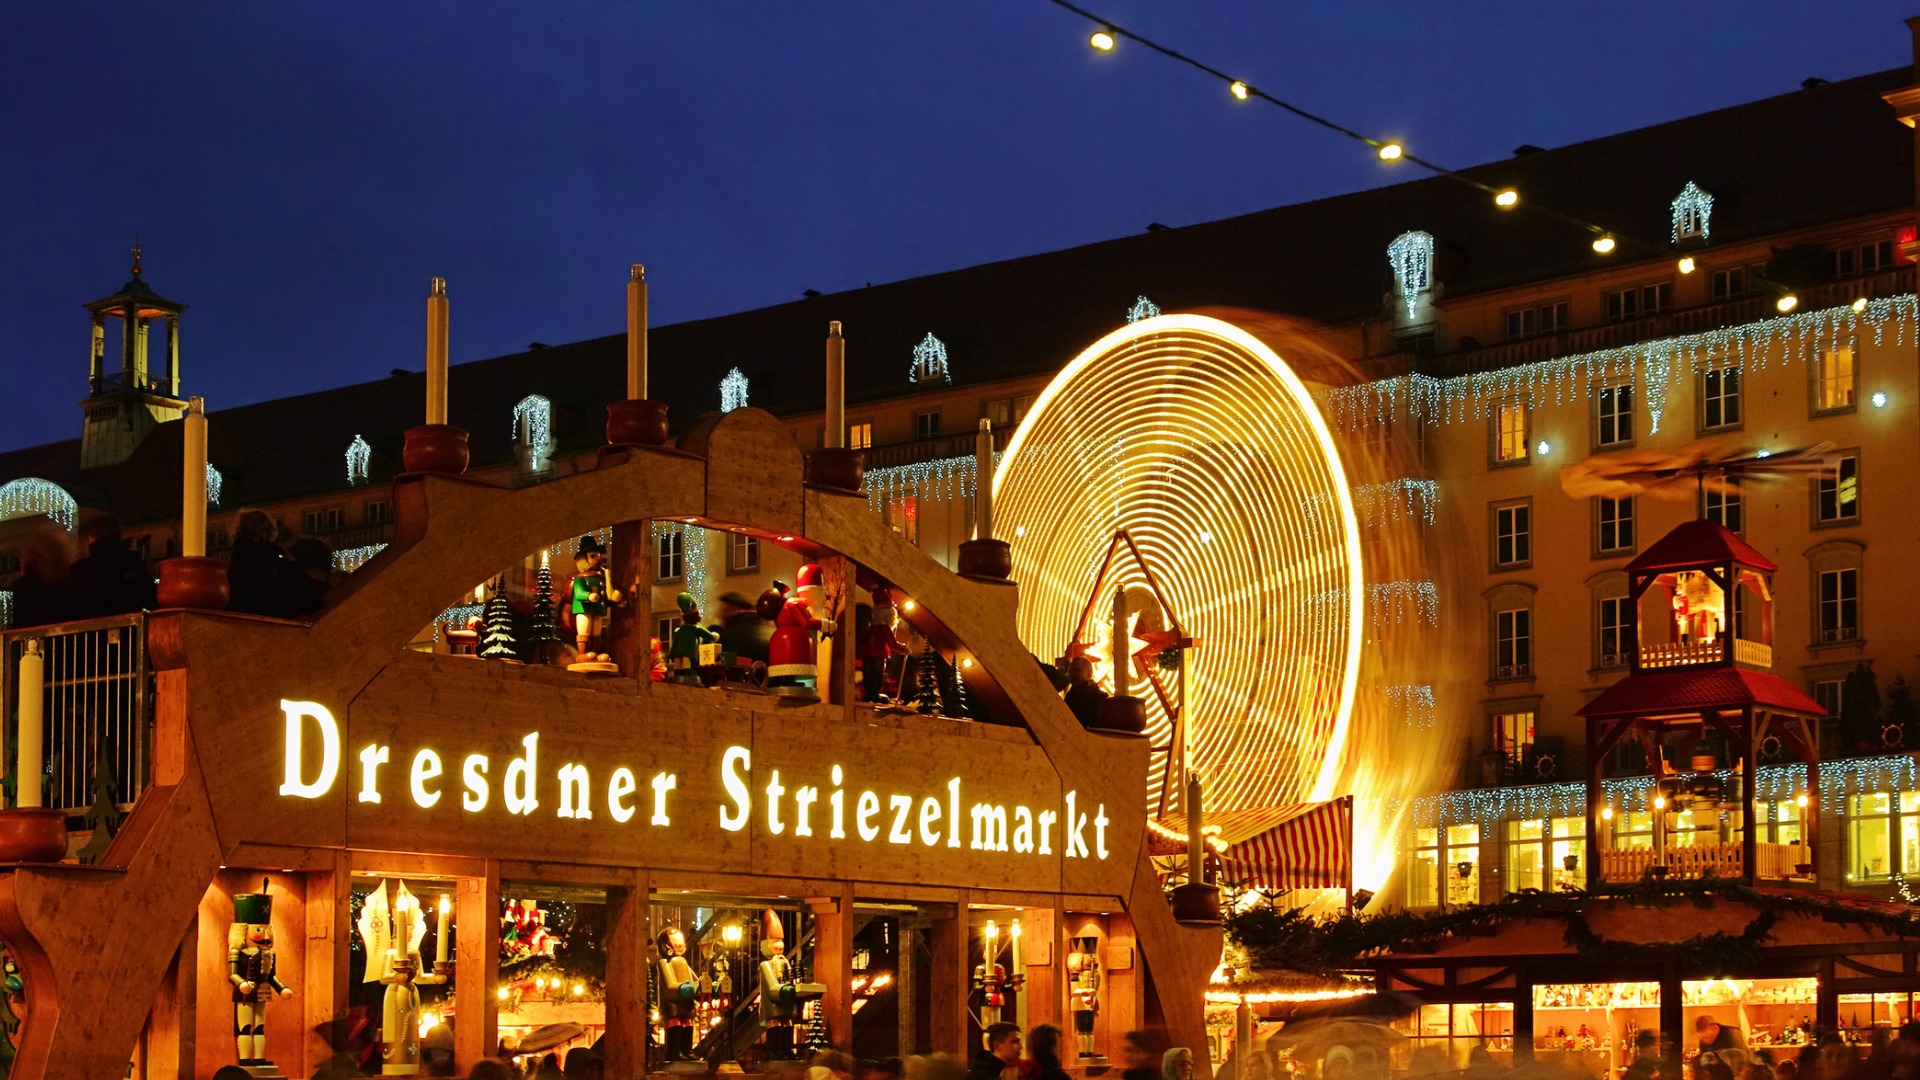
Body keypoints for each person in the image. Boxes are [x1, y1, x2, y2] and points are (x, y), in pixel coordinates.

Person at [67, 515, 155, 617]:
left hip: (91, 630)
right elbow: (150, 598)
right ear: (119, 535)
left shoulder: (80, 570)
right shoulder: (134, 565)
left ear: (91, 538)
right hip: (131, 629)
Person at [716, 590, 772, 662]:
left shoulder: (725, 638)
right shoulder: (770, 635)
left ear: (733, 609)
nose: (719, 615)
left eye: (724, 610)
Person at [1062, 655, 1108, 728]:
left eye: (1077, 671)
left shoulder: (1100, 698)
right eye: (1071, 671)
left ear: (1089, 674)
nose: (1073, 674)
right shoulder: (1070, 697)